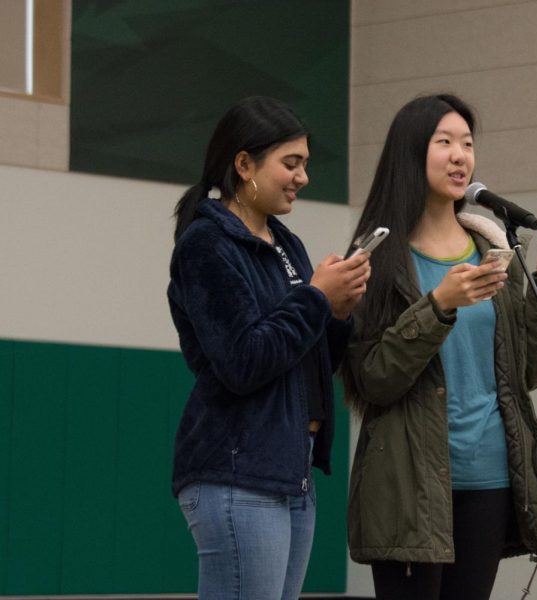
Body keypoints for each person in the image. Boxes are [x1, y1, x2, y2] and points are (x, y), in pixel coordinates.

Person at [341, 93, 537, 600]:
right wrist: (439, 306)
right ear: (411, 153)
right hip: (411, 485)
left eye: (467, 144)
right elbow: (373, 378)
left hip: (490, 478)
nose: (460, 156)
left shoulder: (494, 253)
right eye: (444, 142)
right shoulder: (378, 257)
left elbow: (526, 372)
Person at [167, 96, 370, 599]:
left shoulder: (286, 244)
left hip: (290, 470)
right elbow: (243, 361)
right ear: (243, 164)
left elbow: (310, 354)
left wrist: (337, 312)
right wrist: (316, 297)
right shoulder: (206, 244)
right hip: (238, 472)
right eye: (291, 163)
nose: (303, 177)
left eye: (305, 164)